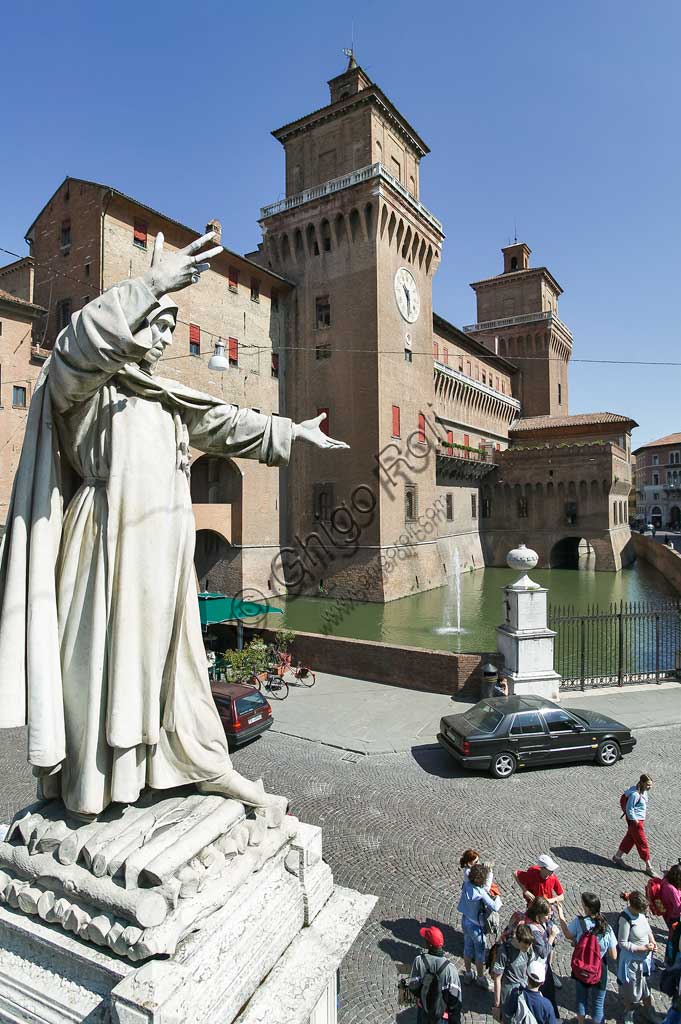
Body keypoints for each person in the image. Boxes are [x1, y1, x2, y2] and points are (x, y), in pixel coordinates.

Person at [0, 231, 349, 818]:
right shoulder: (85, 389)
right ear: (129, 321)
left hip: (164, 549)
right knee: (107, 663)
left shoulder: (164, 397)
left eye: (171, 327)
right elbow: (76, 348)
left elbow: (227, 421)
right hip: (106, 543)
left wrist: (291, 432)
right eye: (157, 324)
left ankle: (198, 764)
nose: (165, 337)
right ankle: (97, 783)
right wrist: (153, 282)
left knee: (175, 661)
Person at [556, 892, 617, 1024]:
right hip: (600, 969)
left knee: (581, 999)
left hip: (581, 966)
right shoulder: (607, 927)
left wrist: (561, 914)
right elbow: (613, 955)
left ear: (587, 908)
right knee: (598, 1005)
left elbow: (567, 934)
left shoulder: (580, 922)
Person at [514, 854, 565, 987]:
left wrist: (550, 901)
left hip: (547, 913)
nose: (552, 872)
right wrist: (525, 890)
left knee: (550, 943)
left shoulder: (552, 877)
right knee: (529, 939)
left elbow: (561, 896)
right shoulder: (532, 873)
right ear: (542, 868)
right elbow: (516, 874)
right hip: (533, 912)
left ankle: (549, 972)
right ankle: (528, 967)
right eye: (549, 869)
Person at [617, 891, 661, 1024]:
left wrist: (653, 941)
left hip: (644, 961)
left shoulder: (641, 914)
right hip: (631, 962)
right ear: (634, 907)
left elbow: (648, 930)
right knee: (630, 990)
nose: (644, 912)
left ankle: (650, 1012)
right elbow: (622, 943)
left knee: (646, 987)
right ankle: (628, 1012)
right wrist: (643, 948)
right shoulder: (625, 918)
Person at [457, 862, 502, 989]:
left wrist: (489, 874)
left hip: (466, 921)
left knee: (467, 948)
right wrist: (497, 896)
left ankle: (468, 973)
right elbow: (495, 906)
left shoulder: (467, 885)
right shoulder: (481, 892)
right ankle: (481, 978)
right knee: (480, 954)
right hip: (477, 927)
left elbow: (484, 887)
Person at [408, 925, 462, 1024]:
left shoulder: (419, 961)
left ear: (429, 945)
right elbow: (455, 1000)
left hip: (423, 1012)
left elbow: (413, 986)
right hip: (441, 1016)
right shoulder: (451, 969)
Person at [492, 923, 536, 1022]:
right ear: (517, 940)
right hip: (508, 993)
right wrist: (497, 1005)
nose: (527, 950)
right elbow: (497, 978)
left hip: (523, 989)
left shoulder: (528, 948)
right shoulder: (504, 951)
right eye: (524, 947)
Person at [614, 774, 656, 877]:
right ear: (642, 783)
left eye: (651, 785)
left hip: (638, 820)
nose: (650, 787)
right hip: (635, 822)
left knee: (630, 838)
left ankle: (617, 857)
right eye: (648, 785)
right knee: (642, 842)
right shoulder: (635, 794)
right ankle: (648, 866)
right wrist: (636, 821)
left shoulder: (643, 792)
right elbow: (629, 809)